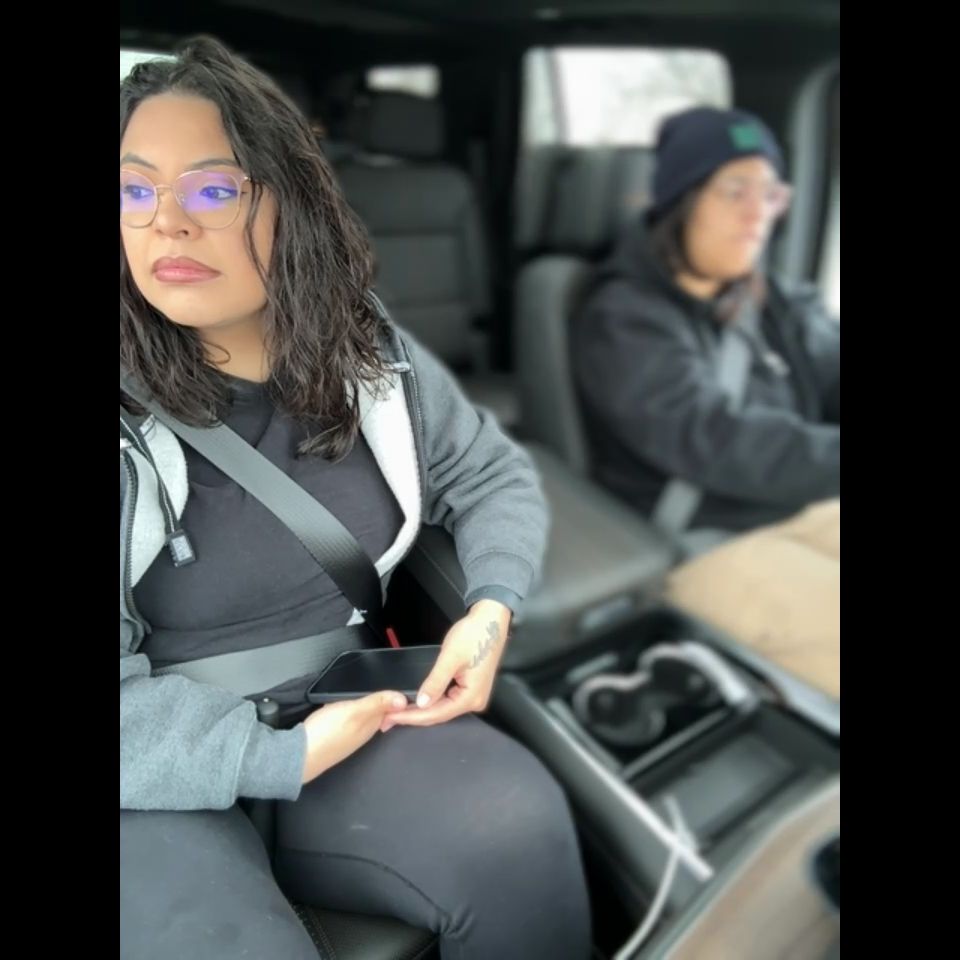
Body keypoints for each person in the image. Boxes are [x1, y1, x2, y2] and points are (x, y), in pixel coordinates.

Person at [120, 36, 590, 960]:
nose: (165, 223)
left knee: (518, 829)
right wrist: (275, 757)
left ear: (290, 201)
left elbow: (489, 475)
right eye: (134, 191)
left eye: (212, 190)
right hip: (150, 767)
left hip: (351, 705)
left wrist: (489, 611)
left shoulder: (367, 353)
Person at [573, 106, 840, 696]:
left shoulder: (768, 296)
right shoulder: (624, 316)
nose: (758, 213)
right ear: (683, 199)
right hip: (711, 539)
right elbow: (713, 437)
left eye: (771, 194)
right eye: (735, 190)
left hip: (793, 504)